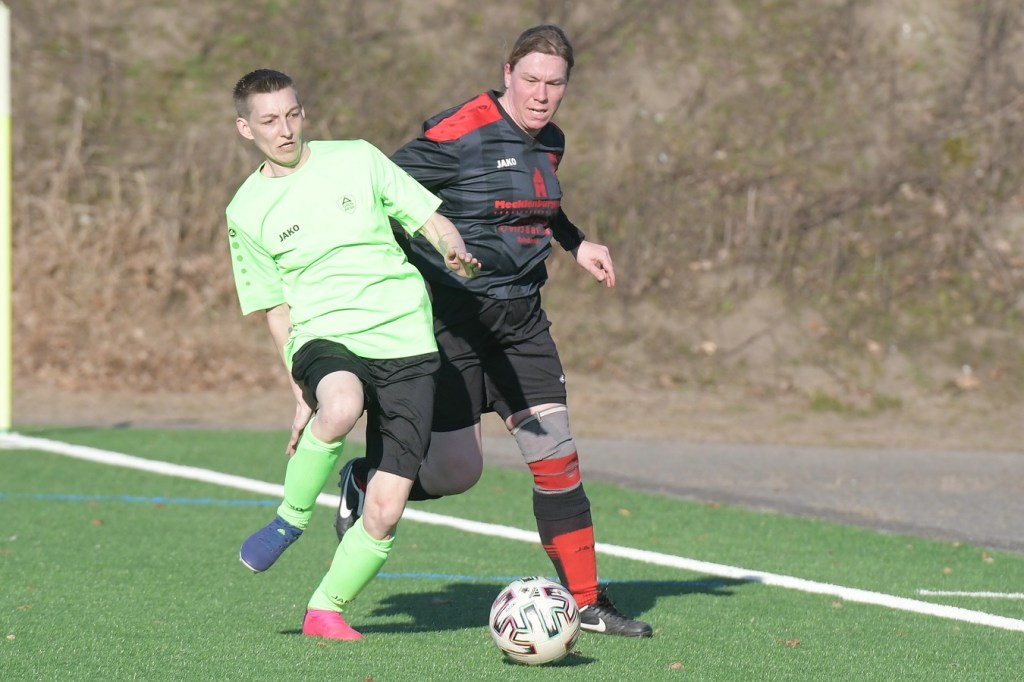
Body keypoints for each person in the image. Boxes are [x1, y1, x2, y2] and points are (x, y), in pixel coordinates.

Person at [333, 25, 653, 637]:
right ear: (507, 73)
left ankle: (587, 601)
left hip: (521, 324)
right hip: (451, 322)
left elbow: (538, 202)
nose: (541, 95)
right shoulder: (459, 133)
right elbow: (383, 189)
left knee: (557, 459)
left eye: (554, 83)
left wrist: (577, 242)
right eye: (530, 79)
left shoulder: (551, 141)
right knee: (457, 473)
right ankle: (363, 479)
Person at [226, 68, 480, 641]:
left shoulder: (358, 158)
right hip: (324, 334)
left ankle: (325, 609)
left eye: (293, 114)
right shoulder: (245, 210)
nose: (285, 130)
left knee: (386, 509)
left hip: (405, 339)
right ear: (246, 128)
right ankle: (290, 519)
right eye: (269, 120)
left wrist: (452, 248)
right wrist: (299, 390)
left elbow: (429, 219)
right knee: (340, 405)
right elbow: (275, 309)